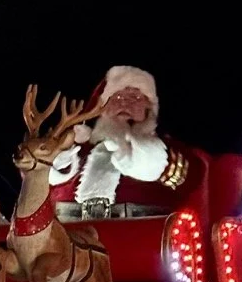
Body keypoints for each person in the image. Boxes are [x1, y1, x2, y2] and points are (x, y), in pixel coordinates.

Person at [49, 65, 188, 219]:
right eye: (117, 97)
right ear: (103, 106)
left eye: (136, 97)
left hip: (141, 231)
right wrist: (59, 161)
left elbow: (194, 178)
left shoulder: (168, 150)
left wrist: (147, 158)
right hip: (71, 231)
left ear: (149, 107)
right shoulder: (76, 148)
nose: (125, 103)